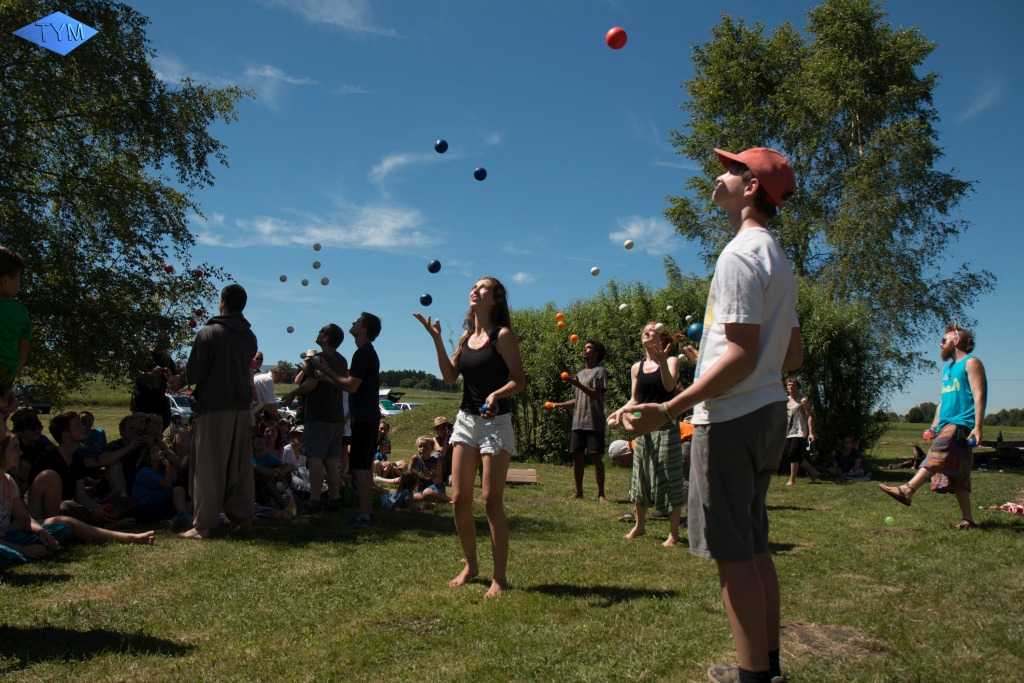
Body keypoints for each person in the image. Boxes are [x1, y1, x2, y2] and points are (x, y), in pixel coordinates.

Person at [621, 147, 800, 683]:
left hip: (732, 419)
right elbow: (791, 355)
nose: (718, 175)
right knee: (754, 544)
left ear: (750, 189)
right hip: (767, 414)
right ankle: (765, 668)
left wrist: (669, 408)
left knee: (732, 555)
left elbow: (742, 354)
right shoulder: (779, 259)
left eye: (730, 168)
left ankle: (751, 678)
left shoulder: (739, 255)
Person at [414, 277, 526, 598]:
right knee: (460, 499)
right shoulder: (466, 336)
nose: (475, 290)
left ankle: (499, 578)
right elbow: (450, 377)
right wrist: (437, 339)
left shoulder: (501, 336)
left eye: (483, 288)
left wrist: (496, 394)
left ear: (496, 298)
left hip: (495, 423)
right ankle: (471, 565)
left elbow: (518, 380)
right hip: (465, 422)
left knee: (491, 500)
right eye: (474, 286)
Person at [167, 283, 258, 539]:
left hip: (215, 406)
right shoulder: (250, 337)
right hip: (242, 407)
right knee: (239, 465)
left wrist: (178, 381)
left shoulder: (209, 332)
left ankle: (203, 525)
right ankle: (243, 520)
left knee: (208, 465)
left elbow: (195, 370)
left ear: (223, 301)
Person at [880, 324, 987, 529]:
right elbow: (943, 400)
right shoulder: (948, 369)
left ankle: (907, 489)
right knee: (961, 474)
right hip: (947, 423)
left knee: (937, 454)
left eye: (943, 340)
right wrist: (934, 426)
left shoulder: (971, 362)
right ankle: (968, 519)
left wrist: (978, 426)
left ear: (955, 341)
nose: (940, 344)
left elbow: (979, 394)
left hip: (961, 423)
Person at [0, 433, 154, 570]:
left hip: (10, 536)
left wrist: (41, 532)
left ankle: (131, 537)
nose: (20, 453)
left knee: (63, 527)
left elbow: (25, 519)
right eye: (15, 448)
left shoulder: (8, 481)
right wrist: (22, 549)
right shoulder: (49, 458)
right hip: (5, 544)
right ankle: (21, 554)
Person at [609, 323, 686, 547]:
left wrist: (662, 360)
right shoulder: (637, 367)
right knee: (640, 475)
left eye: (652, 331)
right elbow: (635, 400)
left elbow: (670, 387)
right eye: (644, 330)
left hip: (666, 426)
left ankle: (673, 533)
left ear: (661, 340)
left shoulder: (670, 361)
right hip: (643, 429)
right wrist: (619, 412)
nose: (646, 332)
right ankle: (640, 526)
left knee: (669, 476)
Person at [309, 313, 381, 528]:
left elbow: (351, 386)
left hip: (364, 418)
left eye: (357, 322)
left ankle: (365, 515)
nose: (353, 323)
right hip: (366, 417)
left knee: (360, 468)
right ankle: (365, 513)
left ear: (364, 330)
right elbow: (352, 384)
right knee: (361, 467)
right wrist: (331, 378)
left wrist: (326, 370)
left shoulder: (362, 353)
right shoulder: (365, 353)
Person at [281, 324, 348, 514]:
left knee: (315, 458)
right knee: (331, 460)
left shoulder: (318, 358)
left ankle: (315, 500)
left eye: (321, 332)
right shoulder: (342, 360)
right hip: (336, 417)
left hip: (319, 415)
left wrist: (293, 393)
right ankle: (334, 499)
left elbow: (310, 385)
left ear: (326, 338)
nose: (318, 334)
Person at [25, 411, 118, 524]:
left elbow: (80, 495)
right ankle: (101, 523)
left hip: (71, 507)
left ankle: (102, 518)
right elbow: (46, 504)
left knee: (126, 503)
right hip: (47, 513)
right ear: (66, 434)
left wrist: (97, 508)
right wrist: (92, 511)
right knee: (67, 508)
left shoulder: (77, 459)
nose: (84, 427)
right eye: (78, 425)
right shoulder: (47, 458)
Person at [550, 340, 609, 502]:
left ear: (596, 353)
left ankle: (601, 494)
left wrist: (577, 384)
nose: (584, 349)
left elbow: (595, 394)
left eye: (588, 347)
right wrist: (558, 405)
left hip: (594, 421)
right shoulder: (580, 374)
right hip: (578, 422)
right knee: (577, 456)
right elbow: (577, 399)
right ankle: (578, 491)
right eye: (584, 347)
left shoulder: (600, 371)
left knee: (596, 456)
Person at [0, 247, 31, 431]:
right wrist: (13, 371)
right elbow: (24, 349)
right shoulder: (20, 312)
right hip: (6, 371)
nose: (19, 285)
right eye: (18, 279)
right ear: (5, 280)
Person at [132, 444, 193, 527]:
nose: (159, 452)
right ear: (148, 456)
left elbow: (173, 480)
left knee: (190, 504)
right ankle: (185, 517)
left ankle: (173, 521)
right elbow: (167, 484)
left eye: (160, 450)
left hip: (159, 504)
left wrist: (168, 464)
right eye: (154, 450)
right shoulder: (145, 471)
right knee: (178, 490)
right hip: (145, 505)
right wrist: (168, 466)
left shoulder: (162, 472)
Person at [131, 339, 177, 430]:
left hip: (159, 399)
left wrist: (169, 377)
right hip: (143, 398)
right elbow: (133, 372)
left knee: (161, 425)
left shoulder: (167, 359)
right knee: (140, 428)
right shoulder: (143, 355)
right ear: (156, 341)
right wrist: (150, 374)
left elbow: (173, 381)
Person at [784, 377, 819, 485]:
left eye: (793, 385)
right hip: (788, 432)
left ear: (798, 387)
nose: (790, 387)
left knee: (792, 454)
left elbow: (809, 416)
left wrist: (811, 432)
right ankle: (814, 472)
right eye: (789, 385)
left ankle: (792, 480)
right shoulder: (786, 400)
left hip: (800, 431)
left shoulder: (803, 400)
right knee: (795, 455)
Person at [409, 435, 453, 504]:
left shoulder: (436, 462)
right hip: (422, 489)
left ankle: (450, 499)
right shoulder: (415, 459)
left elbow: (439, 482)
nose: (422, 449)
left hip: (436, 488)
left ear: (432, 448)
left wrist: (434, 477)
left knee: (427, 492)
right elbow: (408, 475)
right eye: (420, 446)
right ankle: (435, 499)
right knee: (414, 497)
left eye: (425, 447)